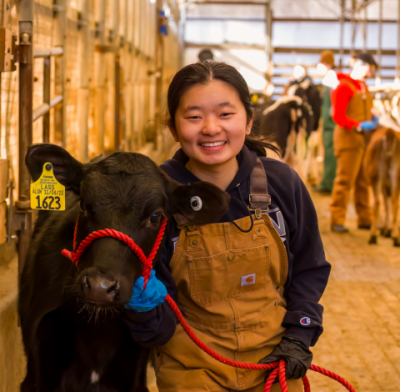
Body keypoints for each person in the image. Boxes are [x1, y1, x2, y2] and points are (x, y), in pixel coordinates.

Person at [123, 61, 331, 392]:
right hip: (190, 367)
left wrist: (300, 334)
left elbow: (310, 268)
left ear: (248, 121)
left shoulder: (281, 183)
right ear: (173, 128)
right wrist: (143, 311)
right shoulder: (155, 199)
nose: (210, 128)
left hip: (272, 361)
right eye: (194, 116)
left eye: (225, 114)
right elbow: (159, 329)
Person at [330, 53, 378, 233]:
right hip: (348, 139)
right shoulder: (344, 86)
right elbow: (338, 116)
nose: (370, 75)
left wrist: (372, 117)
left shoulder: (362, 86)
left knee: (363, 181)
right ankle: (337, 219)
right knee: (345, 180)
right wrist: (358, 125)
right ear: (361, 65)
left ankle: (365, 218)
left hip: (364, 140)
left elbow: (361, 109)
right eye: (369, 70)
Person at [313, 50, 339, 194]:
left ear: (326, 63)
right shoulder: (328, 78)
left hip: (331, 123)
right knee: (328, 151)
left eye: (320, 63)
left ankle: (328, 184)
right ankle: (327, 181)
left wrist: (330, 119)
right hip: (328, 123)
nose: (318, 66)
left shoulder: (331, 77)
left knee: (330, 152)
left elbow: (334, 102)